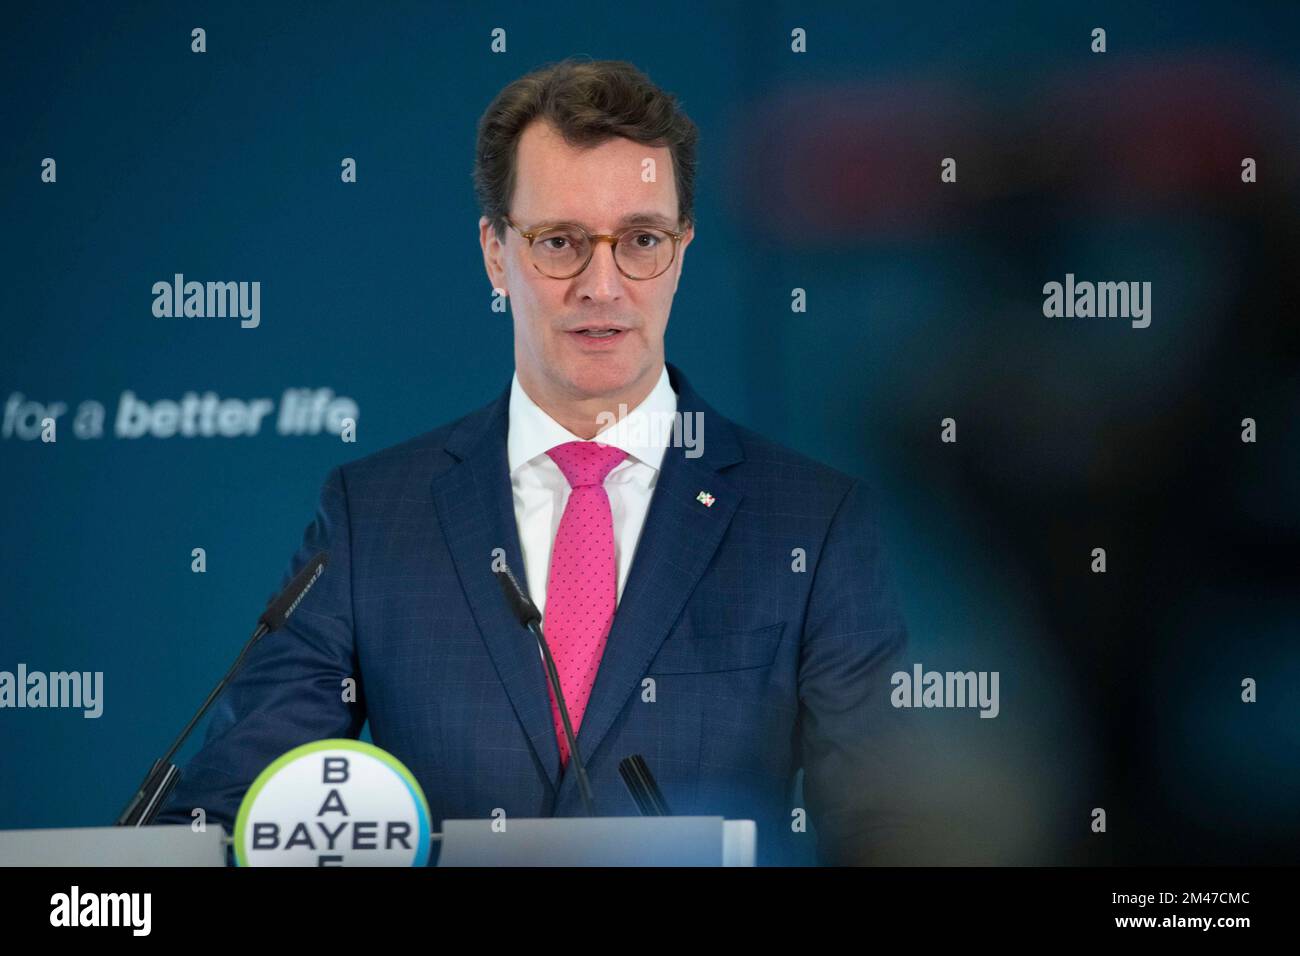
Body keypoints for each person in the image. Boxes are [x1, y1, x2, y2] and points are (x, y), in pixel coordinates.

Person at [155, 57, 918, 866]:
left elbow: (887, 836)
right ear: (495, 252)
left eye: (641, 241)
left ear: (683, 249)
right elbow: (228, 813)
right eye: (559, 242)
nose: (602, 284)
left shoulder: (813, 522)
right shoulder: (371, 516)